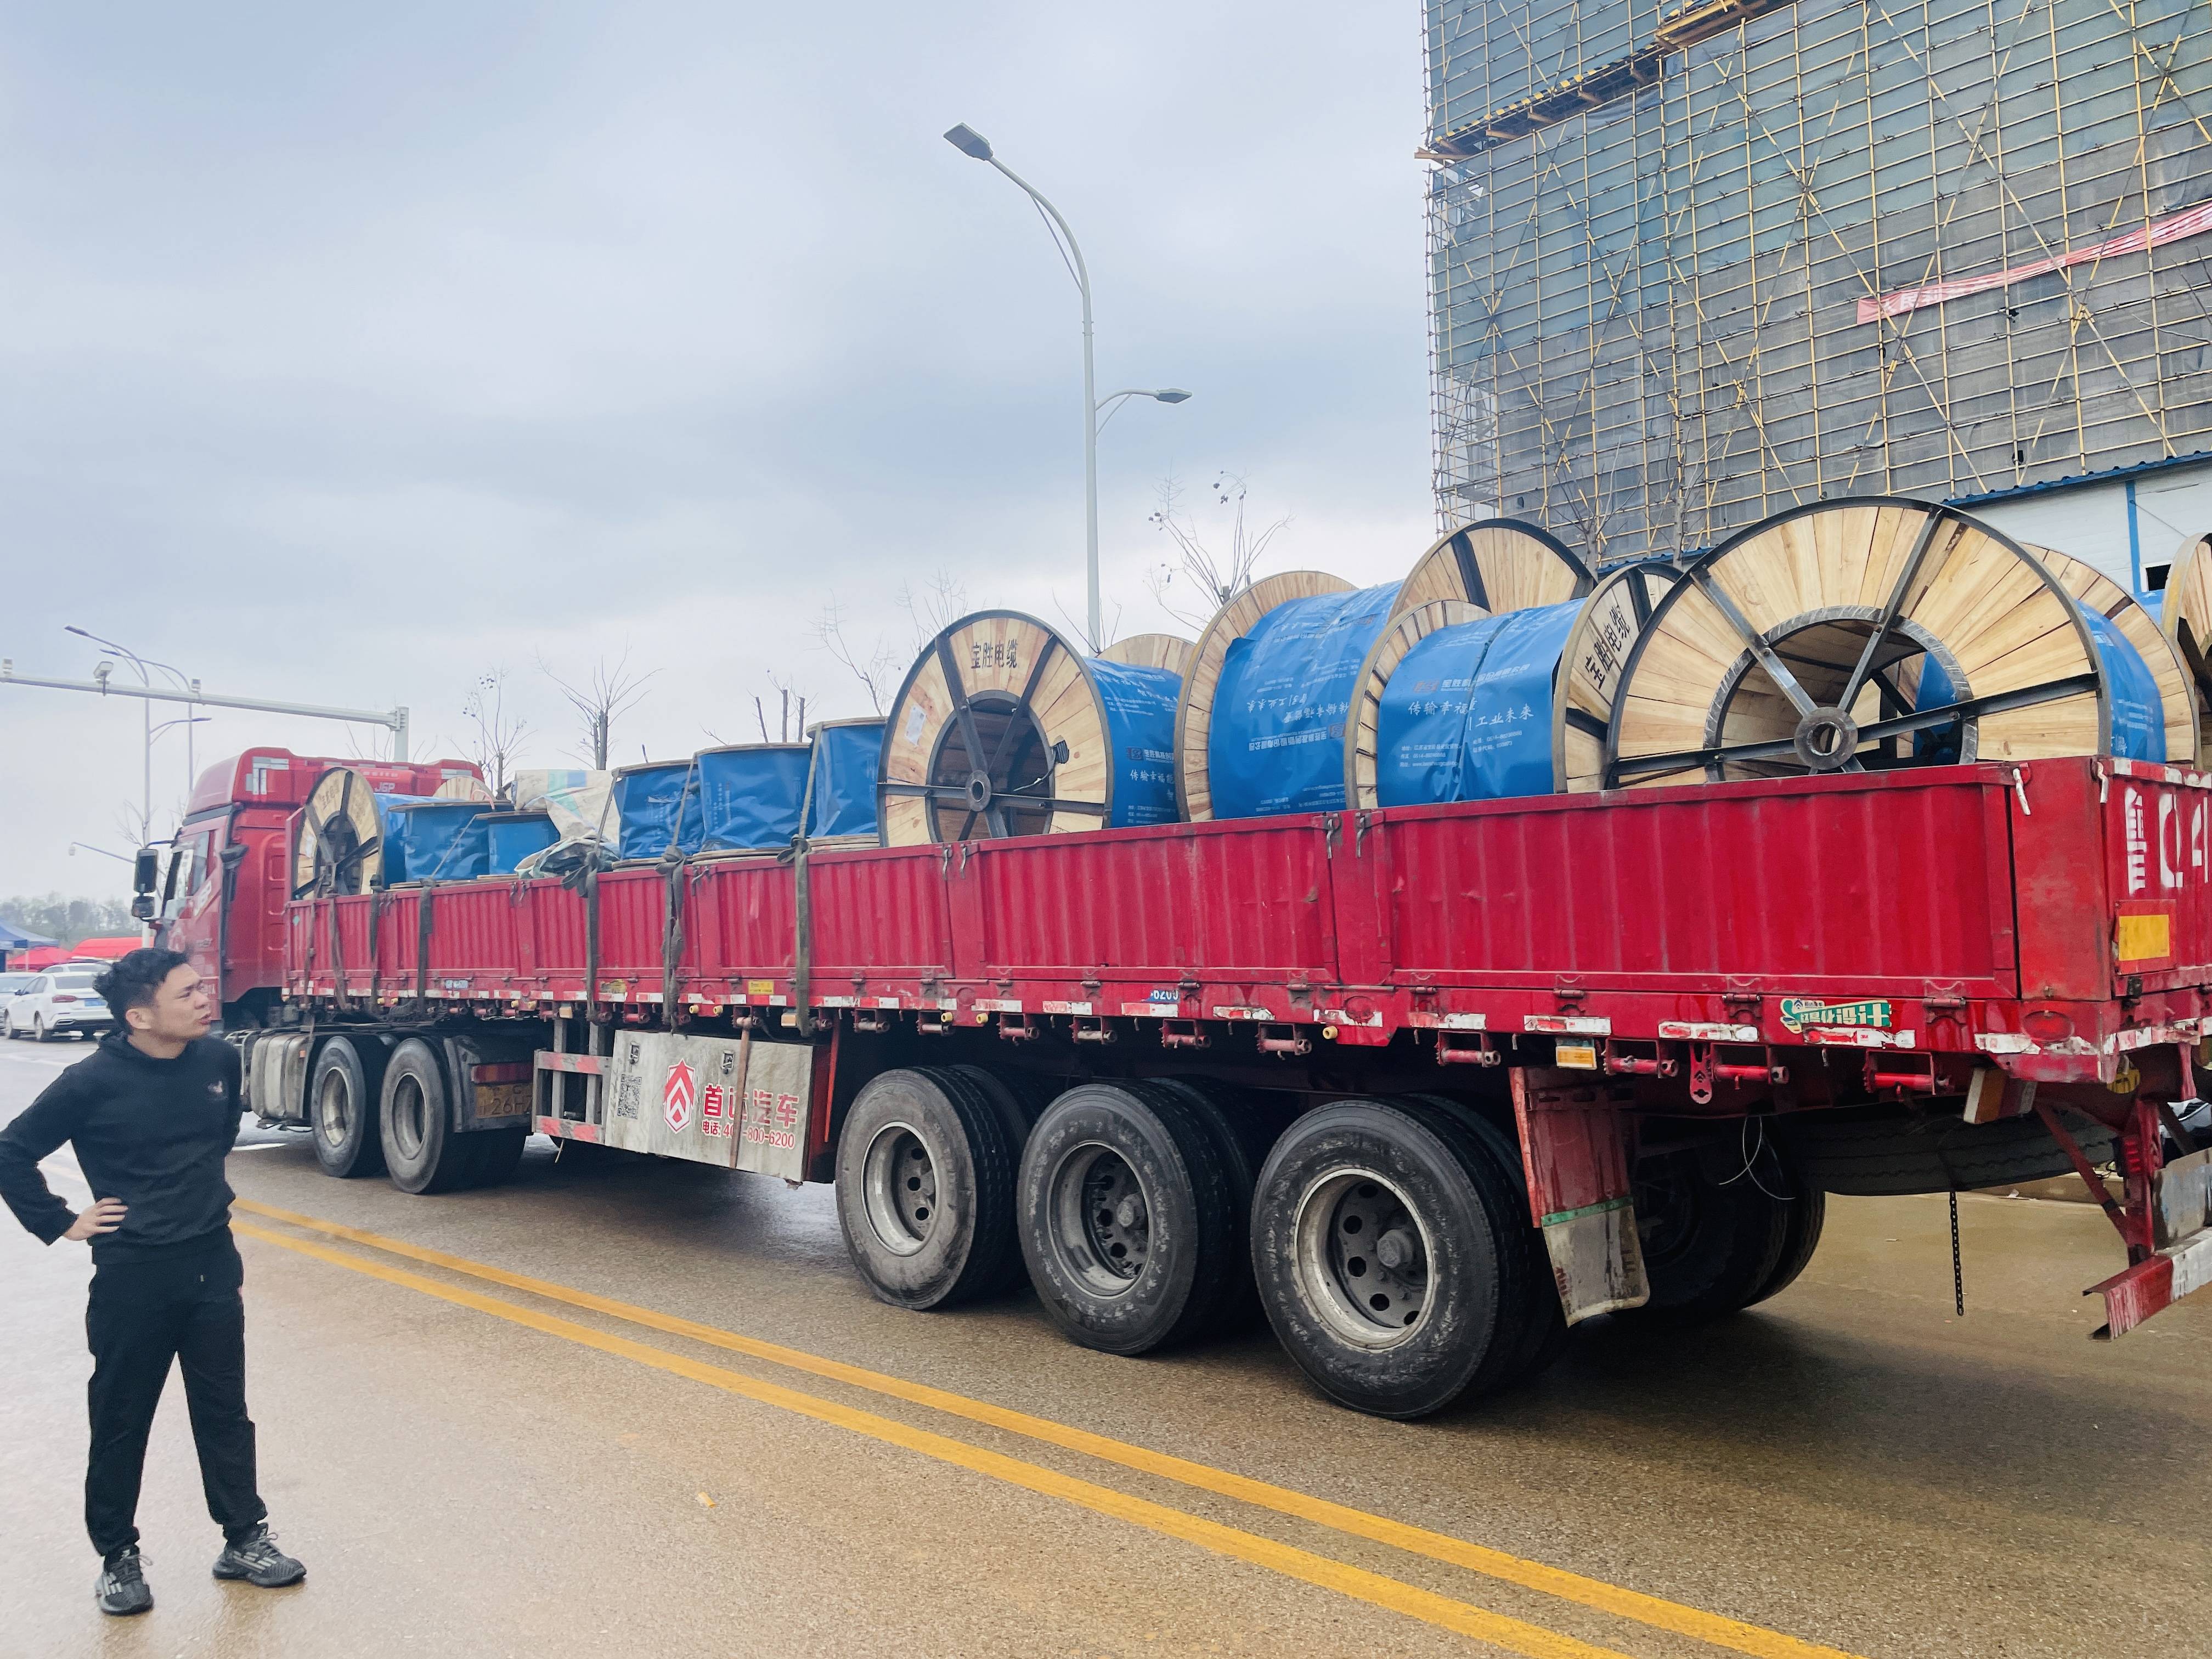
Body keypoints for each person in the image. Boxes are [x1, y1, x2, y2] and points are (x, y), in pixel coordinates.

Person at [0, 947, 304, 1617]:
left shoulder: (218, 1060)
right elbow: (11, 1151)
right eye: (186, 993)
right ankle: (117, 1556)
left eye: (201, 987)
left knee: (224, 1410)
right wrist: (61, 1222)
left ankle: (244, 1537)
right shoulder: (90, 1082)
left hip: (212, 1261)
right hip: (133, 1274)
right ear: (139, 1016)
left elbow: (217, 1139)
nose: (204, 999)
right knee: (121, 1417)